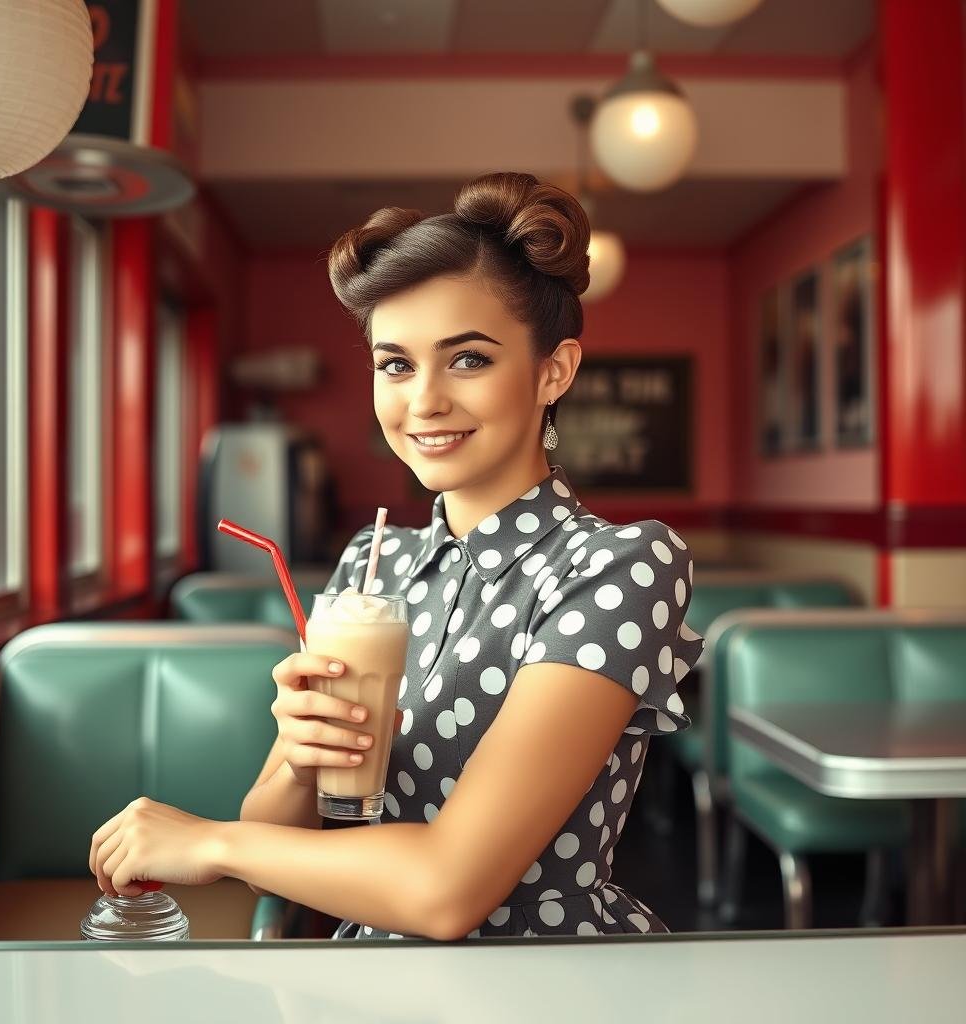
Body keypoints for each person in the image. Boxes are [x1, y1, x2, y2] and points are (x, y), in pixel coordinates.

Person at [88, 171, 706, 940]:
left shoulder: (619, 567)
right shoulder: (369, 567)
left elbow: (447, 892)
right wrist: (296, 753)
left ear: (554, 370)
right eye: (396, 364)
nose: (424, 402)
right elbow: (285, 826)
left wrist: (212, 841)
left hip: (547, 975)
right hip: (370, 972)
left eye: (469, 359)